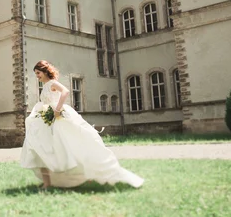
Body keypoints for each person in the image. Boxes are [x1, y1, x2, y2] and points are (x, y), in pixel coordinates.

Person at [20, 60, 144, 189]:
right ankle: (48, 182)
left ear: (45, 71)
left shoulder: (52, 83)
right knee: (44, 148)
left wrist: (57, 109)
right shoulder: (45, 85)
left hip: (59, 117)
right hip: (49, 120)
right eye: (35, 74)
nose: (37, 76)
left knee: (71, 145)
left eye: (38, 73)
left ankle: (87, 172)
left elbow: (65, 91)